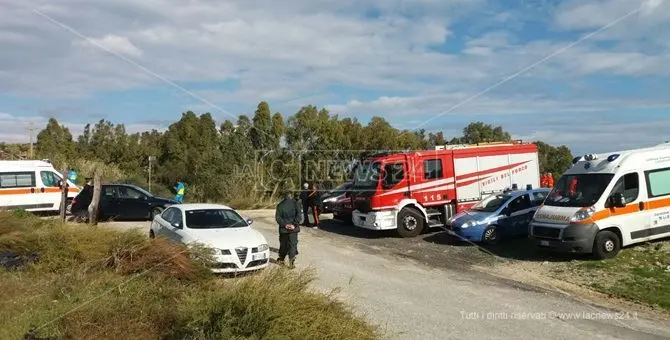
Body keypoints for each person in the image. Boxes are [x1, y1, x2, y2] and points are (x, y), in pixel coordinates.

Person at [275, 189, 302, 268]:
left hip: (283, 229)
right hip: (293, 229)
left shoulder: (280, 205)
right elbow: (299, 216)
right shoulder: (296, 204)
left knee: (283, 245)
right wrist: (294, 225)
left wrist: (285, 225)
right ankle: (291, 262)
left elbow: (278, 218)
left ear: (284, 196)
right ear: (291, 195)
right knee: (292, 245)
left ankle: (281, 260)